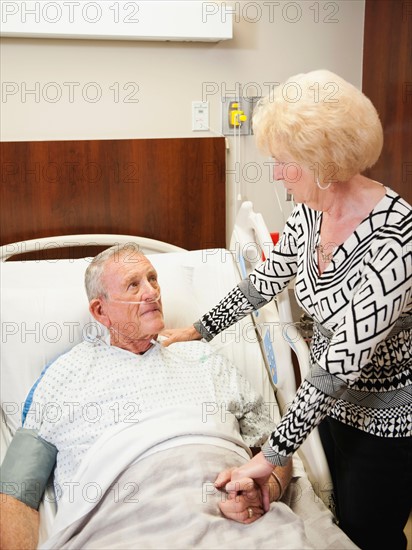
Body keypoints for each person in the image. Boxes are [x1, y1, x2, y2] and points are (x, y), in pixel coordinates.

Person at [162, 70, 412, 550]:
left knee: (369, 533)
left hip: (388, 416)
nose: (275, 174)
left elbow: (342, 360)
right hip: (331, 403)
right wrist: (197, 329)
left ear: (325, 160)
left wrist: (274, 451)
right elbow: (266, 279)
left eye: (284, 162)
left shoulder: (396, 238)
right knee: (341, 515)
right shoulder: (309, 210)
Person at [0, 243, 294, 549]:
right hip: (124, 527)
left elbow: (279, 447)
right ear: (101, 311)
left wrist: (265, 491)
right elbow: (16, 490)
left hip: (236, 521)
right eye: (133, 285)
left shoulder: (203, 357)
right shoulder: (66, 375)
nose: (151, 292)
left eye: (153, 279)